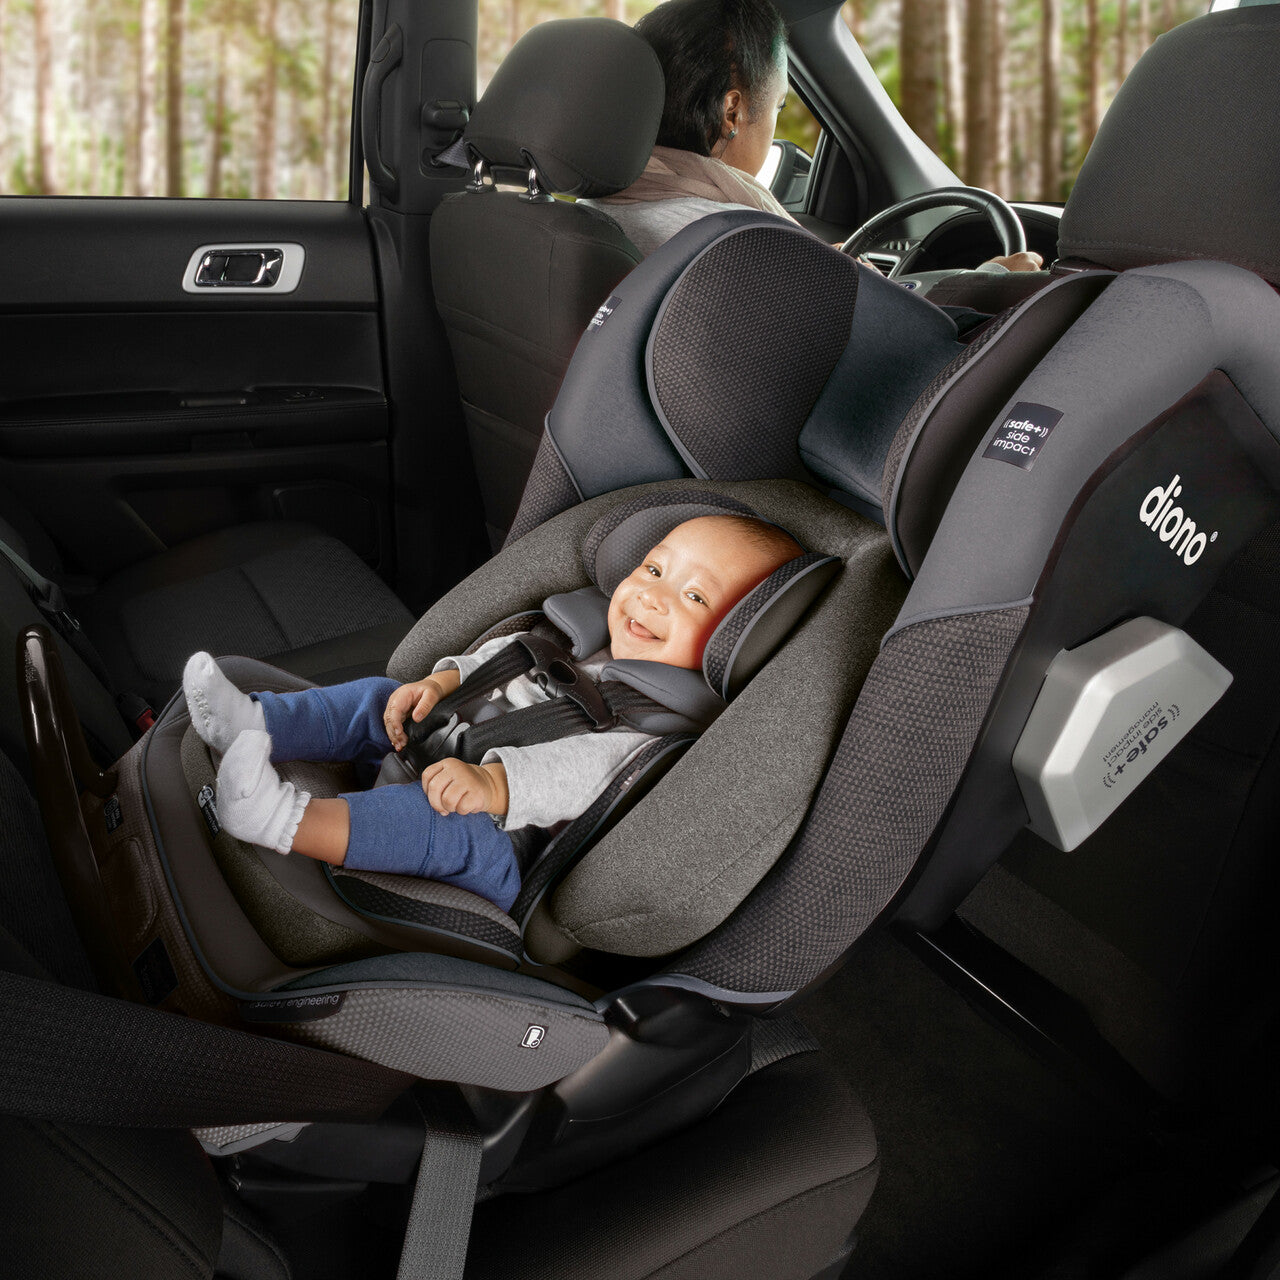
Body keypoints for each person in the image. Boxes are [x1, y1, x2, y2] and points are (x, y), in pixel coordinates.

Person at [183, 514, 803, 913]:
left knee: (448, 825)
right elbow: (500, 659)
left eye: (693, 596)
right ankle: (253, 722)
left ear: (731, 644)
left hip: (505, 842)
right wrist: (440, 681)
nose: (652, 595)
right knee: (379, 696)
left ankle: (281, 819)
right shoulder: (576, 636)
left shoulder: (653, 726)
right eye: (653, 569)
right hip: (439, 750)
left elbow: (577, 774)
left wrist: (491, 785)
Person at [587, 0, 1042, 272]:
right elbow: (900, 346)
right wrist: (989, 283)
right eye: (778, 106)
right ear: (733, 112)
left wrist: (821, 265)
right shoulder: (734, 241)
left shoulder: (588, 214)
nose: (776, 121)